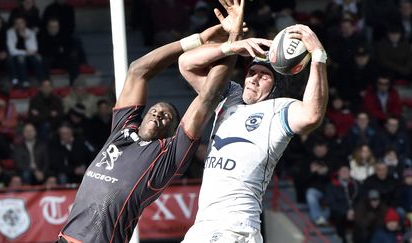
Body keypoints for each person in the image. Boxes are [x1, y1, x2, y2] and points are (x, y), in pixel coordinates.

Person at [57, 1, 260, 241]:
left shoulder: (168, 155)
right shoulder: (122, 130)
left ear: (173, 131)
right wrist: (199, 39)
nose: (159, 114)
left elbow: (209, 96)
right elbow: (138, 70)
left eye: (168, 116)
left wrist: (232, 42)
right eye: (155, 109)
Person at [180, 14, 328, 243]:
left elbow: (312, 115)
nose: (254, 79)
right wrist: (231, 46)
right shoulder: (229, 96)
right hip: (203, 225)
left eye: (264, 75)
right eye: (251, 72)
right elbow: (187, 64)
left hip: (235, 227)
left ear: (276, 86)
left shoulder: (279, 110)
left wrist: (318, 56)